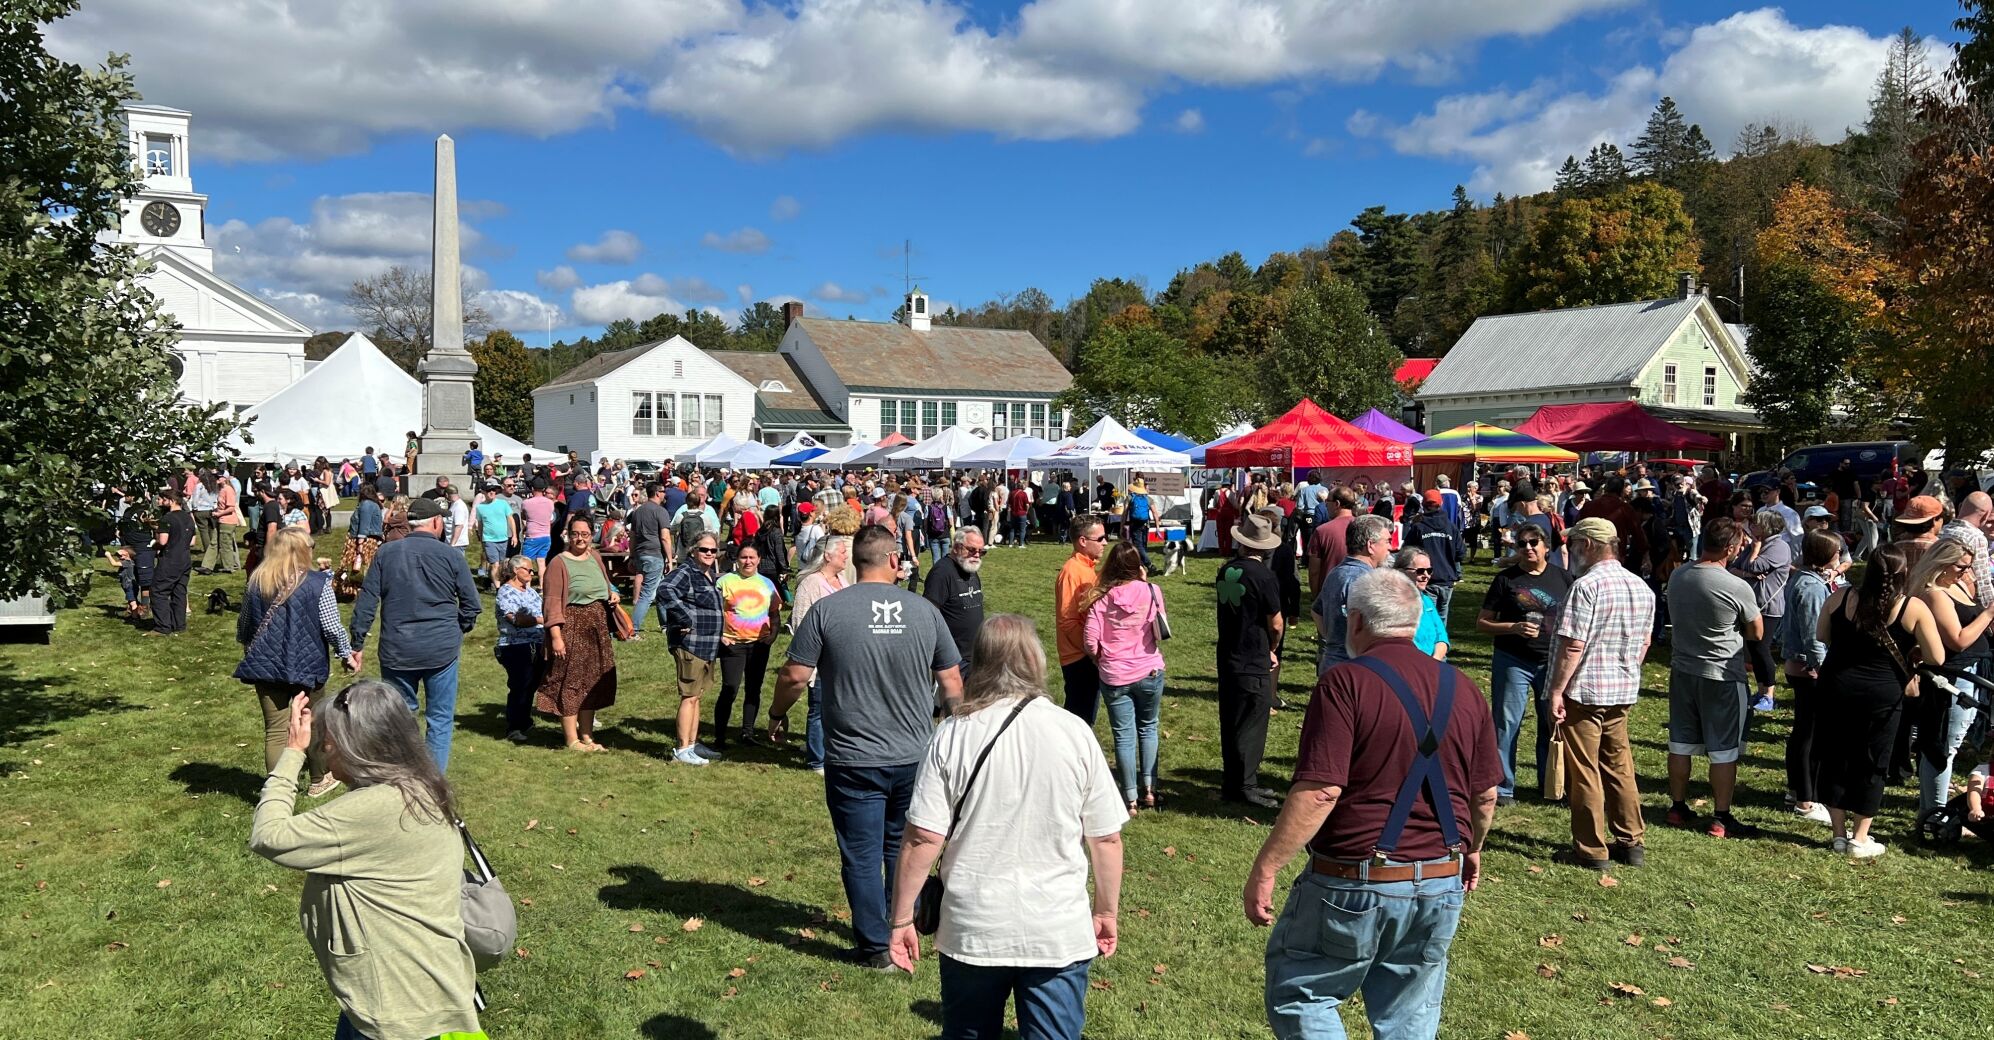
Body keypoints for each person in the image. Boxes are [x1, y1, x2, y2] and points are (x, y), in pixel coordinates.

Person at [1244, 569, 1501, 1040]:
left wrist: (1267, 867)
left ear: (1356, 621)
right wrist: (1473, 848)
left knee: (1303, 994)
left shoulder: (1345, 683)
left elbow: (1322, 789)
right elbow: (1485, 795)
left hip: (1355, 879)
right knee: (1410, 1014)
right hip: (1440, 875)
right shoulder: (1463, 687)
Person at [887, 614, 1127, 1037]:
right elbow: (1105, 836)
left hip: (973, 927)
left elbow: (923, 836)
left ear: (977, 664)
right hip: (1055, 928)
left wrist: (901, 918)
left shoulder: (952, 735)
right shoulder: (1074, 732)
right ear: (1036, 661)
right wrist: (1106, 910)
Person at [768, 525, 965, 972]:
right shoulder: (925, 612)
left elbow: (794, 676)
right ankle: (903, 926)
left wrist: (776, 715)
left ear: (856, 561)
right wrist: (960, 735)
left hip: (853, 757)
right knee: (902, 845)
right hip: (914, 755)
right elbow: (952, 682)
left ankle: (878, 947)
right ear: (894, 561)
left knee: (860, 853)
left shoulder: (828, 609)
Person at [250, 683, 481, 1040]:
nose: (323, 749)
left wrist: (293, 752)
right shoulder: (420, 786)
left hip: (395, 1007)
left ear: (359, 747)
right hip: (415, 987)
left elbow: (269, 836)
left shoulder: (372, 809)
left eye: (329, 740)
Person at [1814, 543, 1947, 858]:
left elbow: (1822, 635)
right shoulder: (1910, 608)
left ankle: (1837, 834)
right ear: (1904, 574)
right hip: (1882, 694)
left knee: (1835, 756)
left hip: (1836, 687)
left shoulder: (1841, 597)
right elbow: (1936, 656)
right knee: (1872, 761)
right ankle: (1860, 838)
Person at [1543, 517, 1654, 870]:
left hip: (1584, 690)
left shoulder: (1587, 586)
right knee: (1620, 765)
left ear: (1588, 545)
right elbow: (1645, 643)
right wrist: (1626, 670)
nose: (1571, 551)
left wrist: (1557, 690)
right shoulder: (1641, 587)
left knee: (1585, 770)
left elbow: (1573, 645)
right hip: (1620, 690)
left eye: (1574, 544)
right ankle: (1631, 840)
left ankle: (1591, 849)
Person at [348, 496, 482, 770]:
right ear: (435, 523)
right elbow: (471, 605)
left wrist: (357, 641)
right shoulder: (451, 556)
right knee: (440, 719)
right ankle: (432, 782)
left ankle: (404, 777)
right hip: (440, 647)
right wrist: (459, 629)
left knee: (401, 718)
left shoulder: (386, 553)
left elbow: (367, 601)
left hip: (398, 647)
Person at [233, 526, 358, 797]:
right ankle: (318, 779)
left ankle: (278, 792)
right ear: (302, 551)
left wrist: (247, 648)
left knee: (276, 731)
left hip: (265, 665)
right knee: (312, 723)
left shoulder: (257, 580)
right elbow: (331, 627)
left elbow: (244, 623)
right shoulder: (317, 583)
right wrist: (346, 653)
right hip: (308, 664)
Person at [1662, 517, 1762, 838]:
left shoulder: (1679, 575)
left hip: (1683, 670)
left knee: (1680, 742)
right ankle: (1721, 818)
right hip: (1722, 675)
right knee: (1723, 750)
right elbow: (1757, 631)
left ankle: (1677, 807)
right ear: (1730, 549)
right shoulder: (1735, 585)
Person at [1474, 522, 1572, 804]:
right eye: (1522, 544)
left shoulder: (1564, 578)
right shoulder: (1506, 580)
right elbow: (1482, 623)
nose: (1528, 548)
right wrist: (1512, 627)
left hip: (1551, 662)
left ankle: (1549, 784)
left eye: (1533, 543)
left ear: (1545, 546)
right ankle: (1504, 787)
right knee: (1507, 723)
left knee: (1551, 722)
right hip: (1513, 659)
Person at [1084, 542, 1166, 813]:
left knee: (1124, 735)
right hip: (1150, 670)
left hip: (1115, 674)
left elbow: (1089, 642)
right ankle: (1150, 789)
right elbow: (1160, 629)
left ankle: (1130, 797)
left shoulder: (1101, 599)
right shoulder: (1153, 592)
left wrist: (1101, 659)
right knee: (1148, 727)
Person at [1910, 539, 1990, 815]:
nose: (1965, 572)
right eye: (1960, 566)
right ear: (1941, 563)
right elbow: (1958, 639)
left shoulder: (1954, 586)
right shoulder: (1935, 594)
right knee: (1944, 743)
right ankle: (1934, 812)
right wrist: (1990, 612)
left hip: (1975, 670)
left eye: (1968, 567)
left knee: (1952, 741)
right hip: (1955, 675)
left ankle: (1935, 807)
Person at [1217, 512, 1287, 809]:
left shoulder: (1225, 571)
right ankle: (1247, 785)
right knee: (1253, 723)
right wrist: (1273, 648)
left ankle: (1233, 781)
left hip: (1228, 654)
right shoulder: (1264, 576)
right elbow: (1276, 623)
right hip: (1253, 656)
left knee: (1231, 720)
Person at [537, 515, 620, 752]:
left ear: (592, 534)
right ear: (568, 535)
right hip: (571, 626)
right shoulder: (558, 563)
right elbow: (551, 603)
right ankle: (571, 739)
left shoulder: (595, 557)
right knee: (570, 680)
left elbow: (604, 584)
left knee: (592, 680)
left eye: (585, 534)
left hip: (597, 626)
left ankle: (587, 736)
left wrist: (611, 594)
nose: (580, 539)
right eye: (575, 534)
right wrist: (555, 636)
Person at [1782, 530, 1842, 825]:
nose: (1841, 557)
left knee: (1803, 731)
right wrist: (1823, 668)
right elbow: (1813, 634)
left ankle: (1796, 790)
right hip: (1809, 668)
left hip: (1800, 665)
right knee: (1811, 735)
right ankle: (1806, 799)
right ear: (1826, 555)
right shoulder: (1812, 587)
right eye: (1837, 552)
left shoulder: (1804, 579)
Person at [660, 531, 727, 765]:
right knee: (689, 696)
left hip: (708, 645)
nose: (709, 553)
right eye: (704, 549)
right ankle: (683, 748)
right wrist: (684, 619)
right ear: (693, 551)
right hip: (691, 645)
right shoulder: (686, 572)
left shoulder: (708, 575)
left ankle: (693, 743)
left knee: (696, 696)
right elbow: (665, 590)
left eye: (713, 550)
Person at [788, 535, 852, 773]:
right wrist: (808, 658)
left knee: (838, 707)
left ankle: (831, 748)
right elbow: (800, 620)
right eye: (842, 552)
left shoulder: (842, 580)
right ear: (828, 556)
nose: (846, 556)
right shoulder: (811, 584)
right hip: (820, 658)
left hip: (842, 657)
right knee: (819, 708)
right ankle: (817, 759)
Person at [713, 544, 781, 751]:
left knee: (754, 689)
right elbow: (713, 612)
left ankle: (747, 732)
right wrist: (720, 636)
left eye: (752, 557)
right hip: (732, 644)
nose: (748, 561)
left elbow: (775, 613)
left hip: (759, 644)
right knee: (730, 688)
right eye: (744, 557)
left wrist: (773, 635)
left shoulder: (767, 584)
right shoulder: (724, 582)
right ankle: (720, 735)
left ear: (759, 559)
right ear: (737, 559)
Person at [1731, 509, 1793, 713]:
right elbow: (1735, 567)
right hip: (1751, 604)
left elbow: (1755, 566)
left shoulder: (1779, 547)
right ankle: (1760, 690)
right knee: (1753, 650)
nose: (1752, 526)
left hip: (1768, 608)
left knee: (1761, 649)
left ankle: (1769, 695)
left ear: (1767, 527)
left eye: (1756, 524)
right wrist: (1747, 569)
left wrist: (1755, 552)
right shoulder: (1757, 544)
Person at [1317, 515, 1395, 673]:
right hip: (1355, 669)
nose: (1390, 547)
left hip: (1332, 664)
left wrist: (1333, 640)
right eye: (1387, 541)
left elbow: (1316, 611)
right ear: (1371, 545)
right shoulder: (1366, 580)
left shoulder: (1336, 573)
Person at [1054, 516, 1109, 724]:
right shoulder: (1071, 571)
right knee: (1079, 721)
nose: (1105, 542)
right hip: (1078, 657)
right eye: (1100, 538)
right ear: (1083, 541)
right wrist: (1091, 652)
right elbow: (1067, 621)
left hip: (1086, 654)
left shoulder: (1088, 567)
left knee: (1086, 717)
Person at [494, 555, 545, 744]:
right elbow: (517, 620)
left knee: (531, 685)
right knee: (520, 685)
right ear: (516, 570)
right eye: (529, 570)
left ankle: (525, 721)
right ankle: (514, 727)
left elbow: (541, 612)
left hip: (537, 643)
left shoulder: (531, 593)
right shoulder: (506, 593)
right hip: (515, 645)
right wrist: (541, 621)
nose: (532, 574)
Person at [923, 525, 987, 675]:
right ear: (957, 547)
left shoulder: (970, 569)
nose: (977, 555)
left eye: (981, 552)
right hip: (953, 661)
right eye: (972, 550)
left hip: (975, 656)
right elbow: (927, 617)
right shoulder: (942, 573)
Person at [1404, 490, 1463, 625]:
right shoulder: (1451, 527)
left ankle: (1430, 644)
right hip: (1447, 579)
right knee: (1442, 618)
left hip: (1426, 578)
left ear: (1423, 505)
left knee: (1428, 617)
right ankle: (1441, 644)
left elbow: (1407, 551)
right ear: (1441, 504)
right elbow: (1461, 553)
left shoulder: (1418, 527)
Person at [149, 486, 195, 635]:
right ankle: (179, 624)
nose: (160, 501)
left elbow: (162, 541)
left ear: (171, 501)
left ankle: (162, 627)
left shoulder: (166, 518)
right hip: (185, 558)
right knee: (179, 591)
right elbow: (192, 541)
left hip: (170, 559)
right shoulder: (188, 517)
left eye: (162, 499)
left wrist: (153, 544)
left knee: (158, 591)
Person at [1391, 548, 1449, 660]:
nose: (1426, 575)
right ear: (1400, 571)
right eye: (1420, 571)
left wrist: (1434, 660)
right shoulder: (1392, 604)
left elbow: (1441, 636)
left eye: (1429, 571)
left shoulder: (1426, 601)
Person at [201, 470, 243, 574]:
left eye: (219, 477)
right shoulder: (221, 489)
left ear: (225, 478)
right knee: (214, 542)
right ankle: (207, 566)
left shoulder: (228, 490)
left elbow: (231, 508)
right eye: (216, 477)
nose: (217, 478)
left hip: (228, 521)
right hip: (220, 519)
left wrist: (219, 514)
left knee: (225, 544)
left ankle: (228, 566)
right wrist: (216, 512)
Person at [475, 483, 518, 585]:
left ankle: (500, 582)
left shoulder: (503, 504)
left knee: (503, 564)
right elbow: (480, 524)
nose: (492, 492)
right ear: (484, 492)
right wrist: (481, 537)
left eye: (493, 490)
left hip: (503, 538)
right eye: (489, 490)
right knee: (495, 564)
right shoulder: (480, 507)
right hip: (489, 539)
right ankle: (497, 587)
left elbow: (510, 519)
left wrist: (514, 535)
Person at [520, 481, 556, 560]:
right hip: (546, 536)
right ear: (543, 489)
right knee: (541, 562)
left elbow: (523, 516)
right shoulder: (550, 503)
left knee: (526, 562)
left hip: (532, 537)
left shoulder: (526, 503)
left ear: (532, 488)